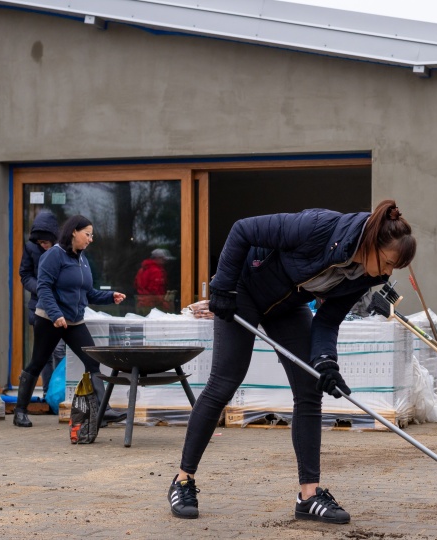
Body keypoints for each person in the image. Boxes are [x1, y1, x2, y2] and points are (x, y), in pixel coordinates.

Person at [168, 199, 416, 524]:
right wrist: (223, 288)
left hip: (287, 306)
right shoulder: (316, 227)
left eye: (392, 269)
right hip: (242, 290)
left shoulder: (365, 276)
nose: (386, 273)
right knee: (226, 381)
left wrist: (326, 362)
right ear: (372, 243)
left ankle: (309, 497)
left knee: (310, 387)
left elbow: (327, 321)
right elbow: (242, 230)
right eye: (386, 263)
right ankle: (183, 480)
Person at [12, 215, 129, 428]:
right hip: (49, 319)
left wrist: (110, 296)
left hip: (74, 322)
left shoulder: (82, 259)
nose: (90, 239)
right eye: (88, 234)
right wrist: (56, 315)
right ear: (74, 232)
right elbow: (44, 287)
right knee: (37, 362)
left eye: (92, 235)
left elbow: (88, 293)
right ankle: (20, 411)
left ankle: (103, 411)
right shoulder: (54, 255)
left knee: (93, 361)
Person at [18, 210, 66, 399]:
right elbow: (25, 275)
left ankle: (61, 393)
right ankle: (48, 393)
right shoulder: (31, 248)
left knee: (60, 351)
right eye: (40, 243)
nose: (43, 246)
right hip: (39, 306)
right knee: (43, 354)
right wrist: (41, 287)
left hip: (61, 307)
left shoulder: (63, 249)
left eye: (46, 242)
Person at [135, 248, 171, 313]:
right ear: (157, 258)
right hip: (153, 304)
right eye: (163, 259)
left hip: (141, 301)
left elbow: (136, 284)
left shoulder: (142, 269)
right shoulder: (156, 271)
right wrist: (164, 302)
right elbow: (155, 290)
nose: (165, 261)